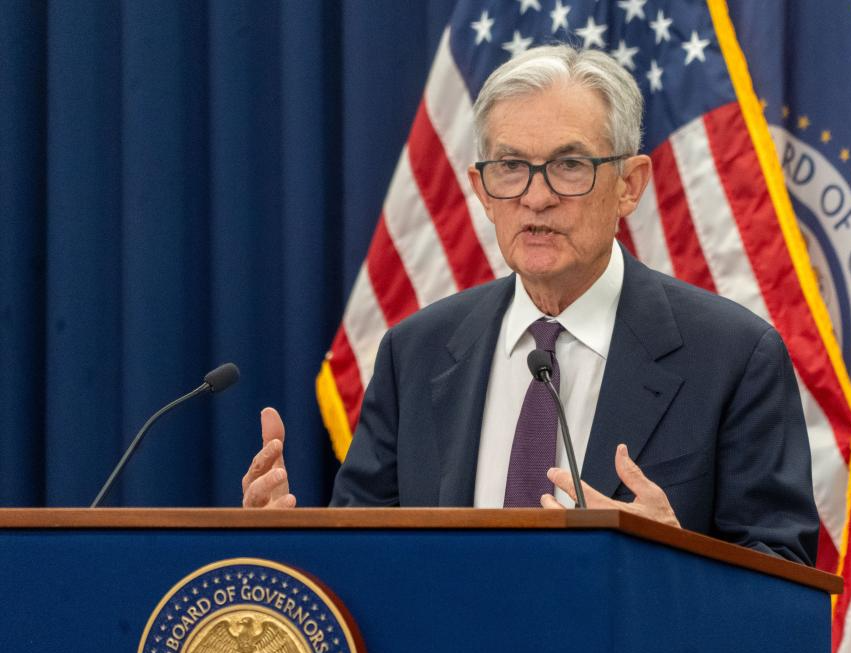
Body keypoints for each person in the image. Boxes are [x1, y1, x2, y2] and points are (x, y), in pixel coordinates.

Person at [242, 45, 819, 565]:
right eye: (511, 167)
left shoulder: (732, 357)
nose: (536, 197)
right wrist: (289, 546)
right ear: (481, 190)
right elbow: (365, 561)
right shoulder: (414, 353)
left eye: (570, 165)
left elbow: (784, 581)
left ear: (630, 185)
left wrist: (679, 559)